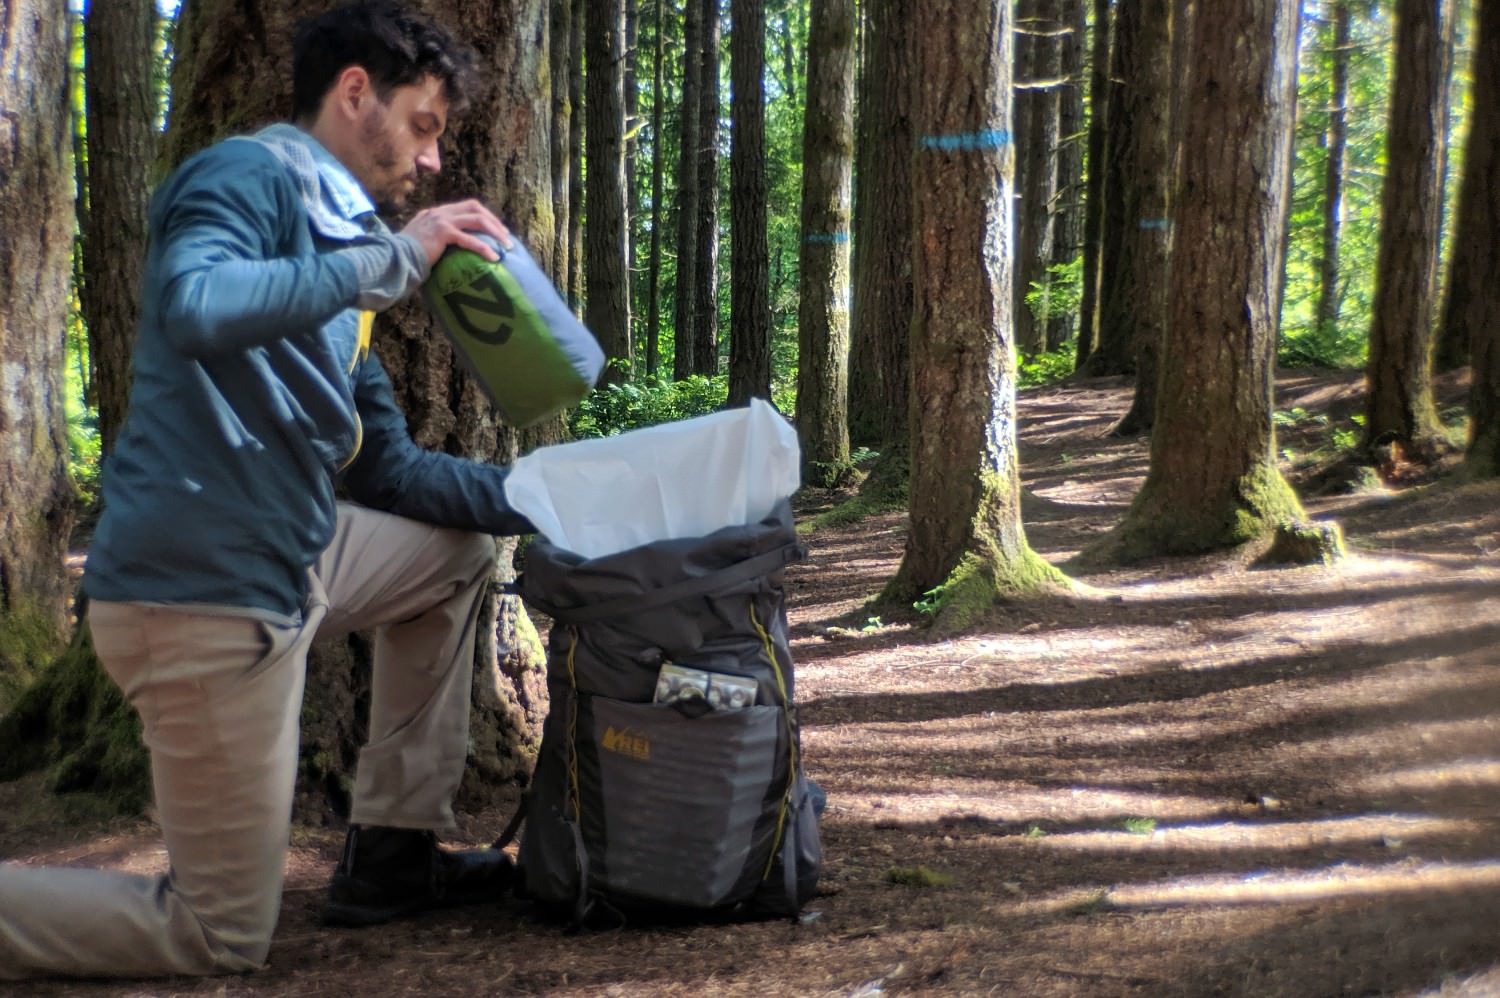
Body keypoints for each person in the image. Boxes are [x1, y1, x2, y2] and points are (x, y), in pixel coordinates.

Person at [0, 0, 535, 979]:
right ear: (354, 93)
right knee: (216, 933)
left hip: (288, 553)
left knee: (454, 555)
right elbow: (193, 302)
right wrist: (395, 258)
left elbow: (389, 471)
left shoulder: (343, 252)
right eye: (423, 124)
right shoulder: (246, 174)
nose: (430, 162)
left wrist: (547, 493)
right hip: (199, 587)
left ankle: (391, 855)